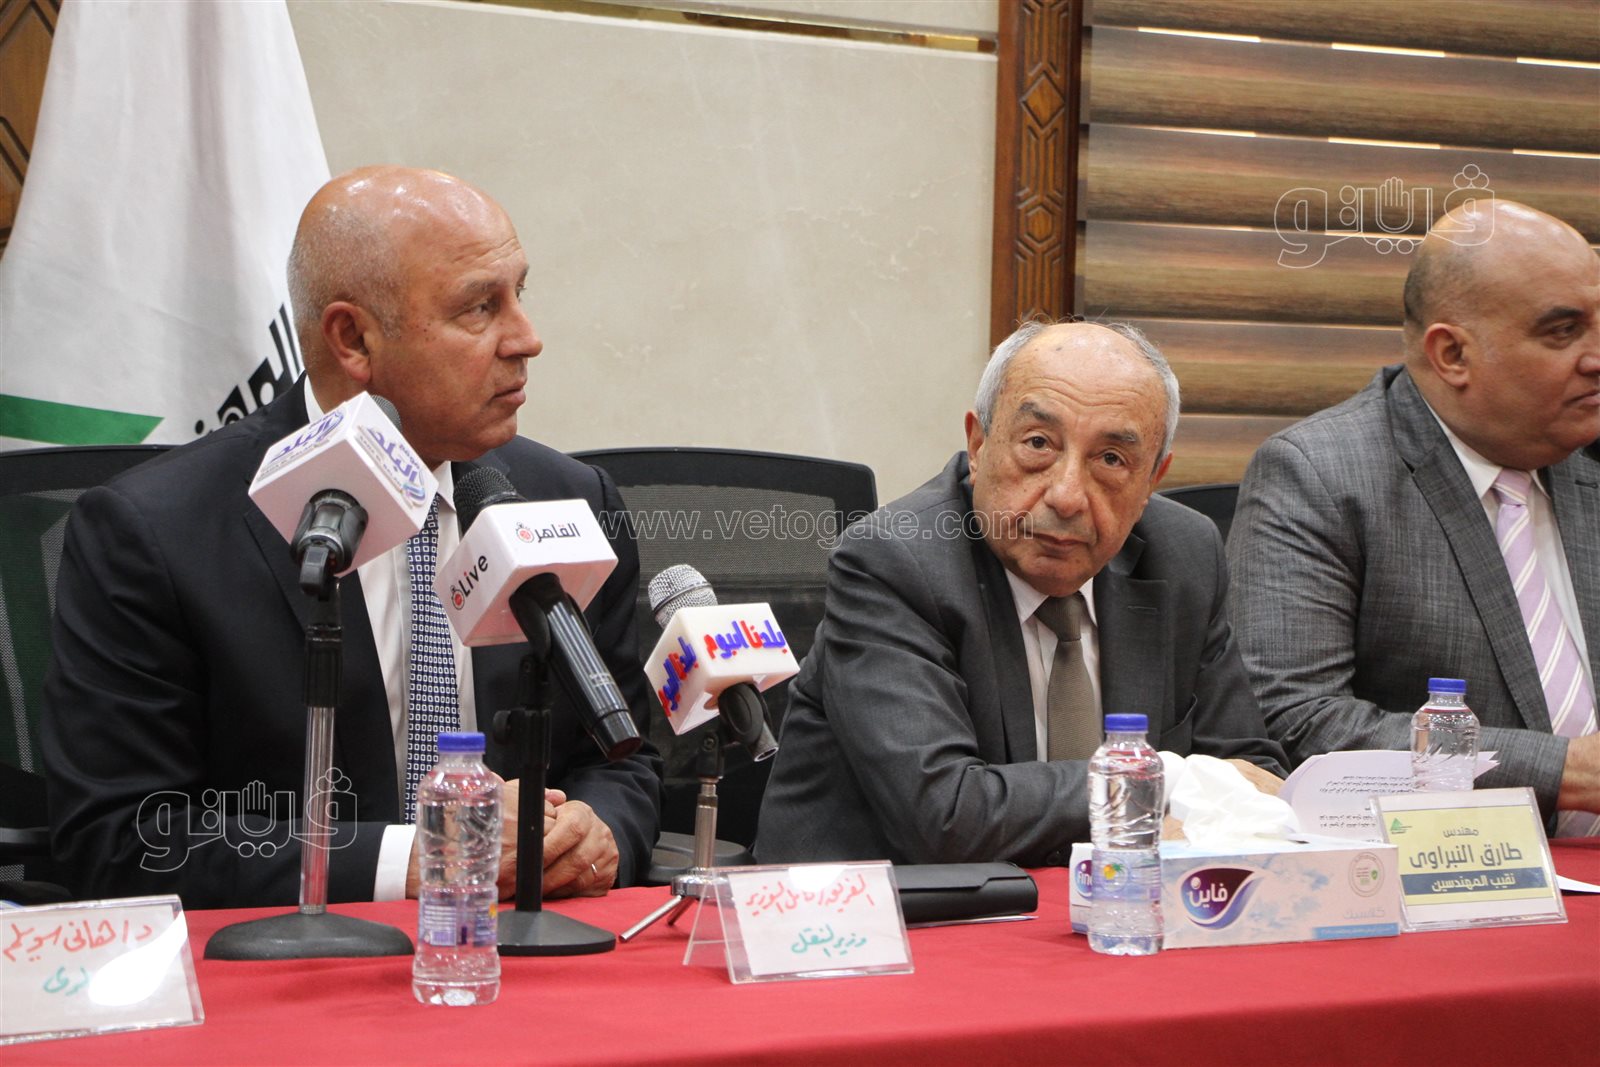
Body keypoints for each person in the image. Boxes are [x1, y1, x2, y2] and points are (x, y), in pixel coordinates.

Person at [42, 166, 662, 908]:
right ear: (353, 338)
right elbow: (121, 837)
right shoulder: (155, 531)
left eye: (519, 294)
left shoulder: (570, 500)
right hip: (297, 957)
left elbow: (626, 759)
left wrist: (599, 831)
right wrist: (420, 856)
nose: (527, 339)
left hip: (526, 944)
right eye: (479, 308)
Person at [756, 320, 1286, 865]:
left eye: (1111, 459)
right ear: (978, 444)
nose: (1067, 496)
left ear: (1153, 478)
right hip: (882, 909)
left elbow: (1251, 775)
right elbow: (945, 815)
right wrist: (1162, 778)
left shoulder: (1184, 556)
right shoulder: (893, 562)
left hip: (1114, 904)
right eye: (1038, 444)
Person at [1227, 199, 1600, 835]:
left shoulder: (1587, 459)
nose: (1594, 356)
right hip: (1443, 866)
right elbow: (1295, 721)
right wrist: (1561, 770)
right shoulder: (1321, 475)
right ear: (1452, 354)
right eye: (1562, 332)